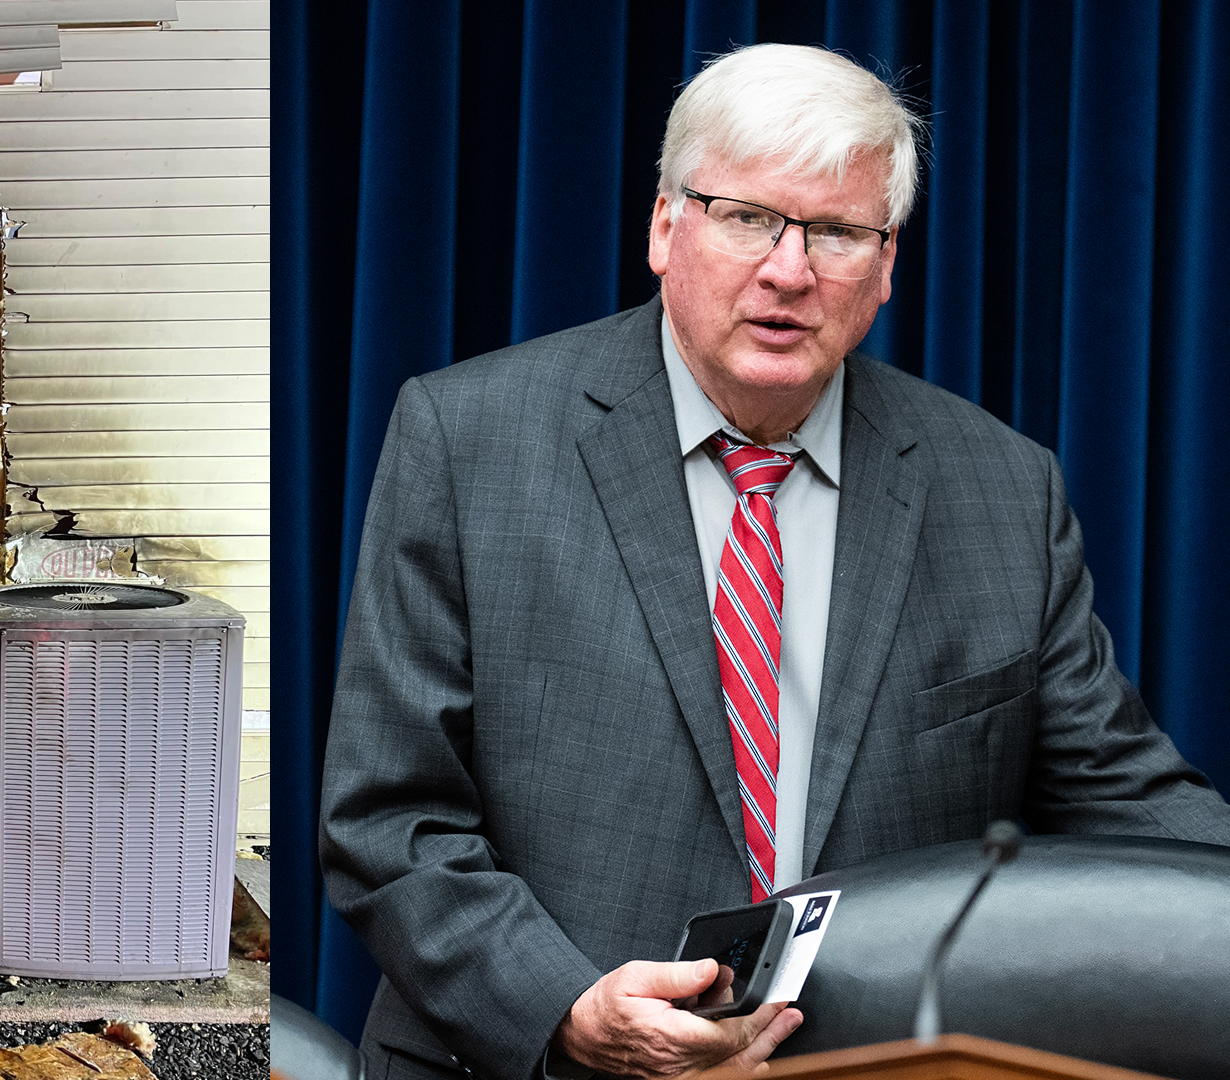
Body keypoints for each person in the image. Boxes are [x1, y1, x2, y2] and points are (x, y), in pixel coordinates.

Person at [318, 42, 1230, 1080]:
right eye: (748, 217)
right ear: (667, 225)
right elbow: (389, 816)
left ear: (886, 266)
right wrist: (566, 1011)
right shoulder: (466, 438)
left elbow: (1122, 795)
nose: (789, 271)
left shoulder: (1002, 489)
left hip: (855, 1063)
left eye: (838, 232)